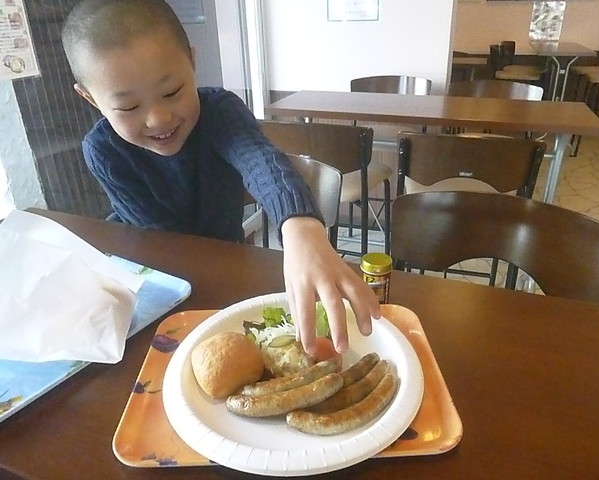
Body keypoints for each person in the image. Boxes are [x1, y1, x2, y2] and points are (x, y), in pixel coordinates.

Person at [61, 0, 380, 355]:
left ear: (192, 61)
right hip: (155, 278)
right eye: (129, 107)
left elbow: (262, 162)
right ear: (90, 98)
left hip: (226, 266)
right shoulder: (103, 150)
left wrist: (302, 229)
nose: (158, 118)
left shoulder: (219, 111)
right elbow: (163, 242)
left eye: (171, 92)